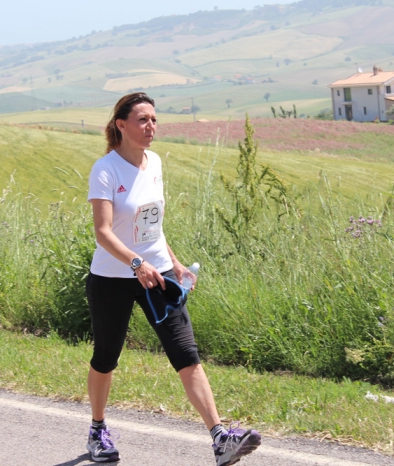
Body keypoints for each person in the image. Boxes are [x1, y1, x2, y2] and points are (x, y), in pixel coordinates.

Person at [85, 92, 260, 465]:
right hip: (113, 277)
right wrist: (136, 264)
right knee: (106, 358)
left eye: (154, 119)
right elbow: (103, 232)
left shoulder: (156, 162)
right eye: (142, 120)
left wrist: (174, 264)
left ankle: (220, 439)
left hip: (159, 274)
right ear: (121, 125)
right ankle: (98, 430)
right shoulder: (106, 169)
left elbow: (152, 225)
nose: (151, 127)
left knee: (187, 355)